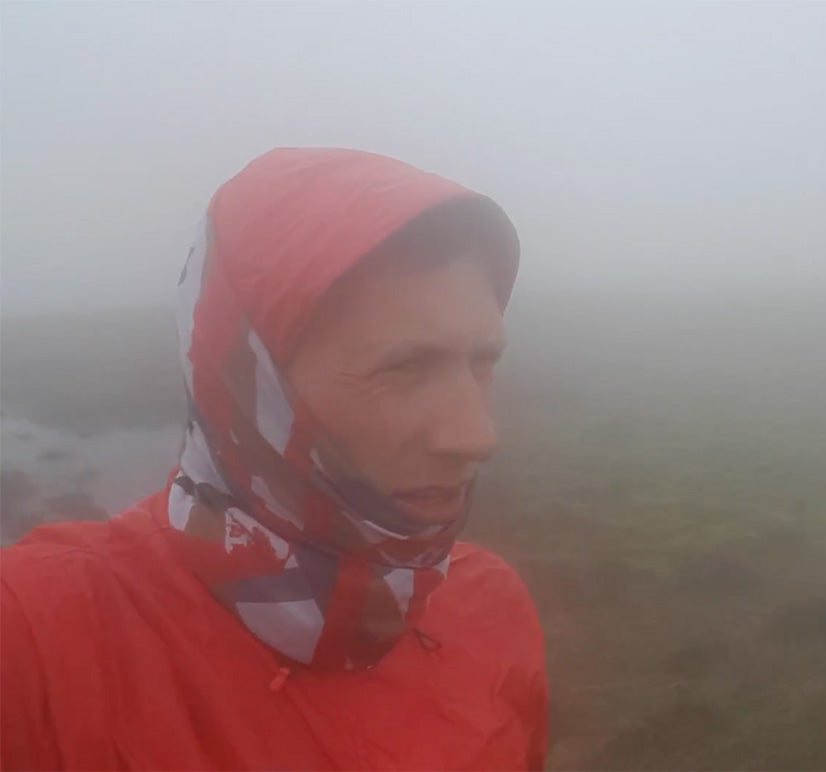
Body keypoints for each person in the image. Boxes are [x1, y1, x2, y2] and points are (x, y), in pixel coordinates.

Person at [0, 148, 547, 770]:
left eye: (484, 363)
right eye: (405, 368)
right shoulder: (34, 640)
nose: (479, 435)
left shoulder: (488, 605)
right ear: (248, 387)